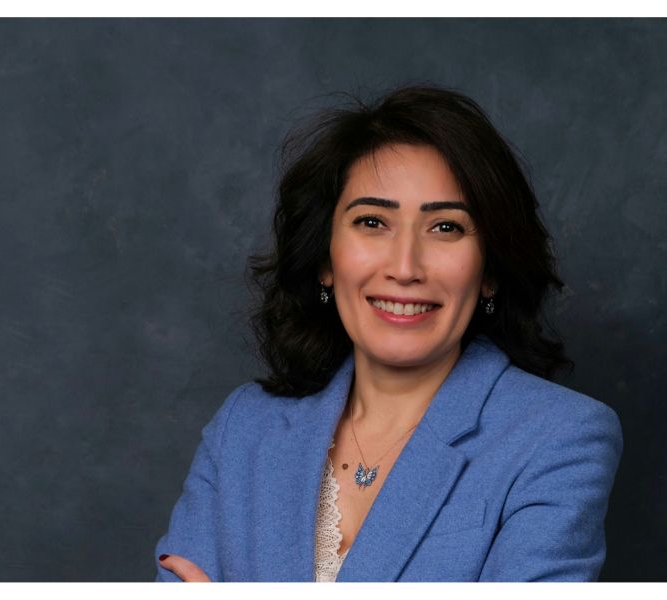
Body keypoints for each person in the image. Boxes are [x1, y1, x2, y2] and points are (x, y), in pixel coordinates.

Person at [154, 86, 623, 582]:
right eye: (372, 221)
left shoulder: (559, 438)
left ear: (490, 270)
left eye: (446, 227)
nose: (405, 268)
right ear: (325, 259)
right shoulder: (245, 426)